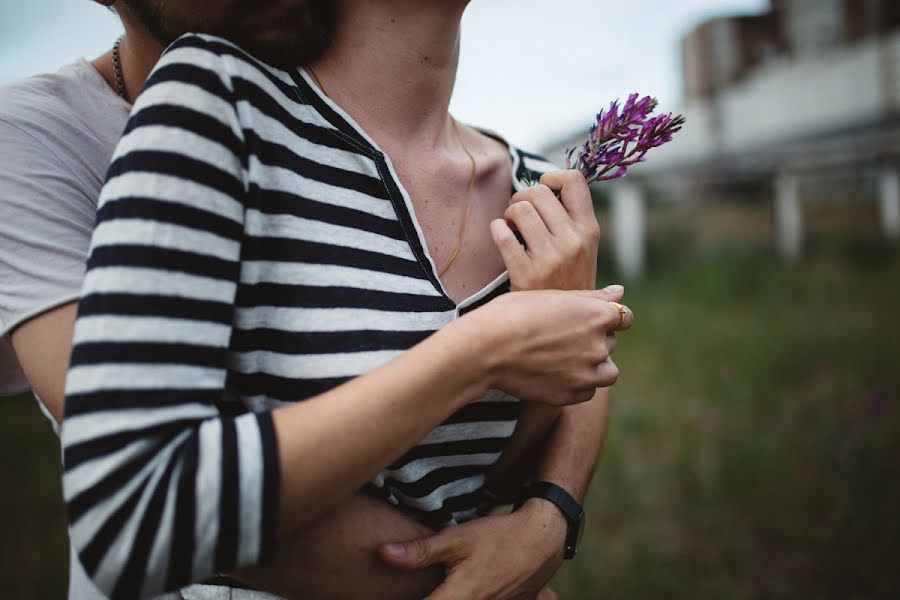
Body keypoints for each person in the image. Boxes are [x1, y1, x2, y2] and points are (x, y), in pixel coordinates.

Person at [1, 2, 630, 599]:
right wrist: (484, 349)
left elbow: (494, 481)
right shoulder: (211, 100)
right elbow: (134, 499)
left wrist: (550, 513)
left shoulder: (535, 179)